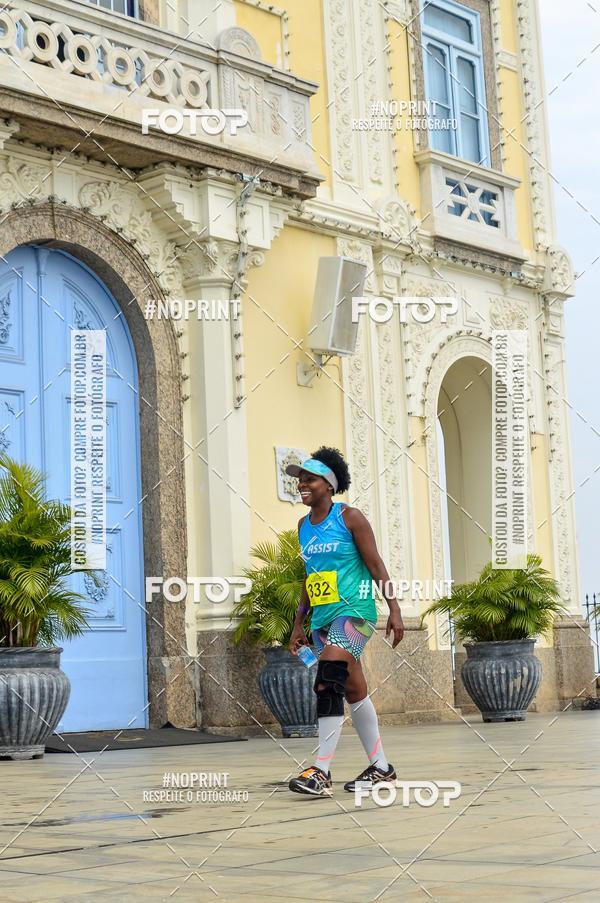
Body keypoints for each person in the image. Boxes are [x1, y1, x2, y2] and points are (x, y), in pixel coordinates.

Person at [286, 447, 404, 797]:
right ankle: (382, 768)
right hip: (323, 619)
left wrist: (394, 609)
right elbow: (311, 577)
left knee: (328, 680)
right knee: (353, 690)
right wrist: (299, 624)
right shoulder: (303, 527)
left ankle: (321, 770)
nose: (302, 485)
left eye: (309, 479)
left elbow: (376, 565)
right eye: (300, 480)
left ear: (329, 484)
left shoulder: (350, 517)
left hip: (355, 613)